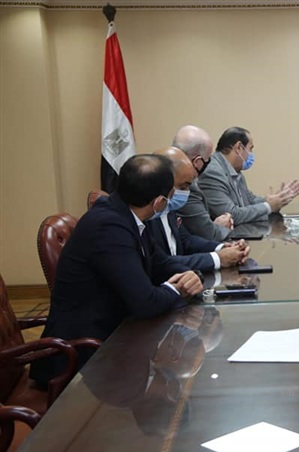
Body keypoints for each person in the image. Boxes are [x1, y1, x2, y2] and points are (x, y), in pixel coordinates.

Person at [30, 154, 203, 386]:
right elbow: (146, 303)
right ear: (159, 202)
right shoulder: (108, 227)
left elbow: (159, 262)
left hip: (112, 335)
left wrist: (190, 274)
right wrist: (178, 289)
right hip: (81, 357)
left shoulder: (127, 215)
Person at [146, 146, 250, 272]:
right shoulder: (147, 214)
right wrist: (218, 258)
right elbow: (161, 263)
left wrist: (223, 248)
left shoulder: (169, 207)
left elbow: (186, 240)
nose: (187, 192)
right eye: (183, 187)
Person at [199, 126, 299, 225]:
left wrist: (276, 199)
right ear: (239, 148)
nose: (251, 154)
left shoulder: (235, 171)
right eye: (250, 149)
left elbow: (250, 201)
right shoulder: (212, 172)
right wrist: (269, 206)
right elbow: (231, 215)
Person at [173, 125, 235, 241]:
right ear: (197, 162)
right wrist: (220, 226)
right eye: (208, 159)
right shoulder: (184, 188)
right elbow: (209, 234)